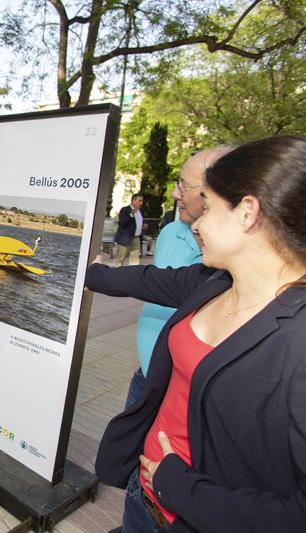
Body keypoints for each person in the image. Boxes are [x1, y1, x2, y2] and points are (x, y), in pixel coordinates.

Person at [87, 135, 306, 532]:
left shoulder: (297, 338)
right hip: (145, 493)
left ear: (247, 213)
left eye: (211, 207)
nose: (198, 221)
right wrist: (86, 274)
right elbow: (152, 280)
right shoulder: (218, 282)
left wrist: (180, 487)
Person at [127, 146, 234, 409]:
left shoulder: (237, 257)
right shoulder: (170, 232)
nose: (175, 194)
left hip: (186, 398)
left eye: (183, 186)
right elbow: (152, 283)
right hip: (145, 378)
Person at [114, 193, 144, 266]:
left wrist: (143, 225)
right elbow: (122, 223)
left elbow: (137, 222)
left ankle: (131, 275)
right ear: (133, 201)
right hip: (125, 239)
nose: (141, 203)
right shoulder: (125, 210)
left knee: (134, 261)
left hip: (136, 238)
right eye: (139, 201)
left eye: (142, 201)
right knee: (120, 260)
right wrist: (131, 214)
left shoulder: (140, 211)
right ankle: (116, 275)